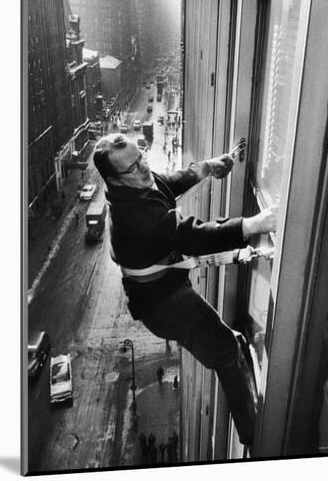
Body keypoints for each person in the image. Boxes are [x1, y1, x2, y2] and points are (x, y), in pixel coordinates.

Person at [93, 133, 278, 445]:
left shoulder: (133, 184)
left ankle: (231, 355)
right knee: (225, 352)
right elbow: (192, 237)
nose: (143, 168)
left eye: (142, 157)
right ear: (114, 179)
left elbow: (169, 181)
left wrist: (209, 166)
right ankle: (255, 436)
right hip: (164, 305)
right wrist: (254, 224)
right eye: (133, 167)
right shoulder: (134, 217)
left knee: (223, 343)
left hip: (167, 292)